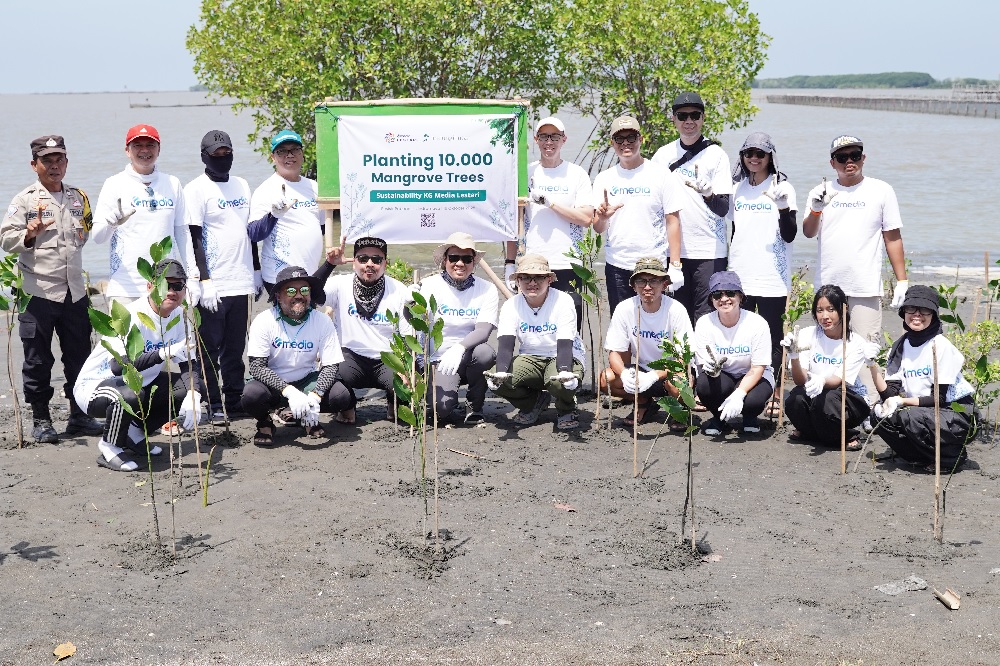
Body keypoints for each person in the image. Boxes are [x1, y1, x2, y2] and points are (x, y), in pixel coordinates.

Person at [0, 135, 105, 442]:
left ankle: (80, 416)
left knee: (79, 357)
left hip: (75, 292)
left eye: (59, 159)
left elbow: (86, 231)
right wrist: (29, 235)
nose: (54, 166)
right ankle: (42, 420)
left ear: (67, 162)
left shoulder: (79, 197)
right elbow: (6, 240)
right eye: (47, 161)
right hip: (39, 292)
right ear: (35, 165)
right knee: (37, 359)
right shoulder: (25, 200)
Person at [72, 260, 204, 472]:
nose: (171, 291)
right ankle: (109, 446)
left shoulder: (179, 317)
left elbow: (190, 364)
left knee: (187, 389)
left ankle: (134, 433)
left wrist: (194, 395)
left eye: (178, 286)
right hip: (95, 387)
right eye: (165, 285)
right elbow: (119, 366)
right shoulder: (132, 314)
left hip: (142, 384)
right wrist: (162, 353)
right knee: (131, 394)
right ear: (150, 286)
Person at [803, 135, 908, 347]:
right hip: (828, 286)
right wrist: (816, 209)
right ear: (832, 163)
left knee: (866, 350)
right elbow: (808, 232)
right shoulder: (820, 191)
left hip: (865, 286)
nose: (849, 161)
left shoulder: (882, 190)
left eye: (855, 155)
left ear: (863, 158)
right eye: (842, 157)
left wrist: (902, 281)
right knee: (830, 349)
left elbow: (892, 237)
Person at [183, 129, 257, 419]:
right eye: (216, 155)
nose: (222, 159)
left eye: (227, 154)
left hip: (242, 281)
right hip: (214, 285)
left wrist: (258, 271)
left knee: (235, 348)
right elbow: (194, 237)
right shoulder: (196, 189)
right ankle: (213, 404)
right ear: (205, 156)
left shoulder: (242, 185)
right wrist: (204, 280)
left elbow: (249, 234)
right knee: (208, 350)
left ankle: (235, 401)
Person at [869, 285, 977, 471]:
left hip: (956, 414)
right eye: (911, 309)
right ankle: (921, 457)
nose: (917, 314)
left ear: (933, 315)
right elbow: (890, 393)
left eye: (925, 310)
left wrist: (902, 401)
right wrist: (871, 365)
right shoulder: (900, 347)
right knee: (878, 416)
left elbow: (939, 399)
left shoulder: (940, 346)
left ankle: (951, 457)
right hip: (924, 411)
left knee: (911, 416)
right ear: (903, 313)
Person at [728, 131, 798, 416]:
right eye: (749, 153)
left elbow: (791, 235)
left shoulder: (783, 187)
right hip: (741, 273)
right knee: (743, 334)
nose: (754, 158)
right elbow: (731, 231)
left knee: (773, 336)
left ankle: (777, 391)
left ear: (771, 156)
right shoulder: (737, 189)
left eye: (761, 154)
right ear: (742, 157)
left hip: (772, 277)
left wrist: (782, 208)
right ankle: (745, 386)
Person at [504, 116, 594, 330]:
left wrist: (549, 203)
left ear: (564, 139)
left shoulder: (576, 174)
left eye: (554, 137)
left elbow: (586, 218)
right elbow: (511, 221)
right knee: (534, 328)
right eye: (544, 136)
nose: (549, 142)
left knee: (570, 328)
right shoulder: (526, 174)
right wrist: (509, 264)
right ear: (536, 139)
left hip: (570, 264)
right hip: (532, 264)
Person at [651, 92, 733, 322]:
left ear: (703, 118)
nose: (689, 121)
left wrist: (708, 194)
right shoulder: (662, 156)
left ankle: (706, 360)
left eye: (695, 115)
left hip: (709, 252)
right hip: (672, 253)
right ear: (673, 119)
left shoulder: (717, 155)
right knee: (675, 319)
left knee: (707, 318)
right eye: (682, 115)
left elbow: (723, 209)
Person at [91, 124, 195, 304]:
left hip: (166, 283)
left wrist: (193, 276)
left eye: (150, 145)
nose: (145, 150)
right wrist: (112, 222)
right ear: (127, 150)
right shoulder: (114, 184)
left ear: (159, 149)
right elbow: (98, 238)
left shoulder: (172, 183)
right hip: (125, 287)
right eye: (138, 145)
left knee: (167, 333)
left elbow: (182, 233)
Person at [593, 115, 684, 315]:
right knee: (622, 326)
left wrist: (675, 265)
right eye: (620, 139)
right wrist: (603, 218)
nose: (626, 143)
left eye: (631, 138)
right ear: (612, 143)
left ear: (641, 139)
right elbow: (597, 228)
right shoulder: (604, 179)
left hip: (654, 266)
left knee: (657, 327)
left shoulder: (661, 174)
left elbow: (673, 221)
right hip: (617, 264)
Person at [242, 266, 344, 446]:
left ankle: (306, 417)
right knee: (251, 395)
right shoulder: (264, 321)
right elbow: (257, 367)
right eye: (291, 290)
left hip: (306, 380)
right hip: (273, 385)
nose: (299, 295)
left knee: (341, 395)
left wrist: (316, 396)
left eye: (304, 290)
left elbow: (330, 365)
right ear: (278, 296)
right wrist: (289, 392)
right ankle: (265, 423)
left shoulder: (322, 321)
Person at [318, 236, 412, 423]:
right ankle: (348, 405)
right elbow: (309, 294)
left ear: (385, 263)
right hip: (349, 357)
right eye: (362, 259)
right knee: (333, 393)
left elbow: (408, 337)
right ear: (354, 263)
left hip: (387, 358)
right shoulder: (339, 284)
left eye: (376, 260)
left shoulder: (400, 290)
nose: (369, 264)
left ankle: (394, 402)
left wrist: (406, 369)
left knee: (408, 392)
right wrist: (329, 265)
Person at [487, 254, 585, 430]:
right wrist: (501, 371)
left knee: (559, 382)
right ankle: (534, 403)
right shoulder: (511, 305)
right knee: (496, 380)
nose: (532, 283)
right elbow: (506, 345)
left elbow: (565, 344)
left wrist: (564, 371)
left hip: (562, 355)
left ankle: (566, 409)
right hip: (530, 357)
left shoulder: (563, 300)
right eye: (525, 277)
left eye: (539, 277)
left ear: (549, 279)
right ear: (517, 281)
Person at [601, 258, 692, 427]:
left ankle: (680, 408)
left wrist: (655, 375)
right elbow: (614, 352)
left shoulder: (676, 310)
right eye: (641, 281)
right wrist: (624, 373)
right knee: (606, 378)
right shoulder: (625, 308)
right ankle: (643, 402)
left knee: (677, 384)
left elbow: (683, 359)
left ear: (664, 284)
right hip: (640, 371)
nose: (647, 287)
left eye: (654, 281)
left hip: (670, 372)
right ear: (633, 286)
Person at [418, 232, 499, 424]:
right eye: (454, 258)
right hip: (438, 359)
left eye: (466, 259)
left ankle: (475, 406)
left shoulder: (487, 289)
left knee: (485, 353)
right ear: (445, 260)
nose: (460, 263)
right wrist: (408, 304)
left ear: (474, 262)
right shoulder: (428, 286)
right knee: (442, 409)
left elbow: (484, 330)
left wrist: (459, 347)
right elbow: (411, 324)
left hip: (469, 354)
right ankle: (445, 396)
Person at [782, 284, 873, 450]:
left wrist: (821, 380)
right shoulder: (807, 334)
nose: (825, 316)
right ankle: (822, 434)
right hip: (817, 395)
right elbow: (799, 380)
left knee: (826, 399)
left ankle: (844, 433)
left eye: (831, 309)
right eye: (819, 310)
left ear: (842, 310)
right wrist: (793, 356)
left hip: (848, 400)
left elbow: (839, 380)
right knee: (795, 399)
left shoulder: (855, 342)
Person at [693, 271, 774, 435]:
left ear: (740, 297)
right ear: (711, 300)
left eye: (730, 293)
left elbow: (758, 367)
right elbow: (702, 363)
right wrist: (711, 371)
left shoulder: (757, 323)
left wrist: (739, 394)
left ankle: (749, 416)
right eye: (717, 294)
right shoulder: (704, 323)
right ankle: (719, 417)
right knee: (703, 384)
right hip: (724, 375)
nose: (724, 299)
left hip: (753, 374)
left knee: (753, 400)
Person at [248, 130, 324, 291]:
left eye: (295, 149)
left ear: (302, 154)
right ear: (273, 157)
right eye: (282, 151)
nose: (289, 155)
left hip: (311, 274)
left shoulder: (314, 187)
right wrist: (273, 215)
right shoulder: (265, 190)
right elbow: (254, 234)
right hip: (279, 276)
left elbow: (322, 227)